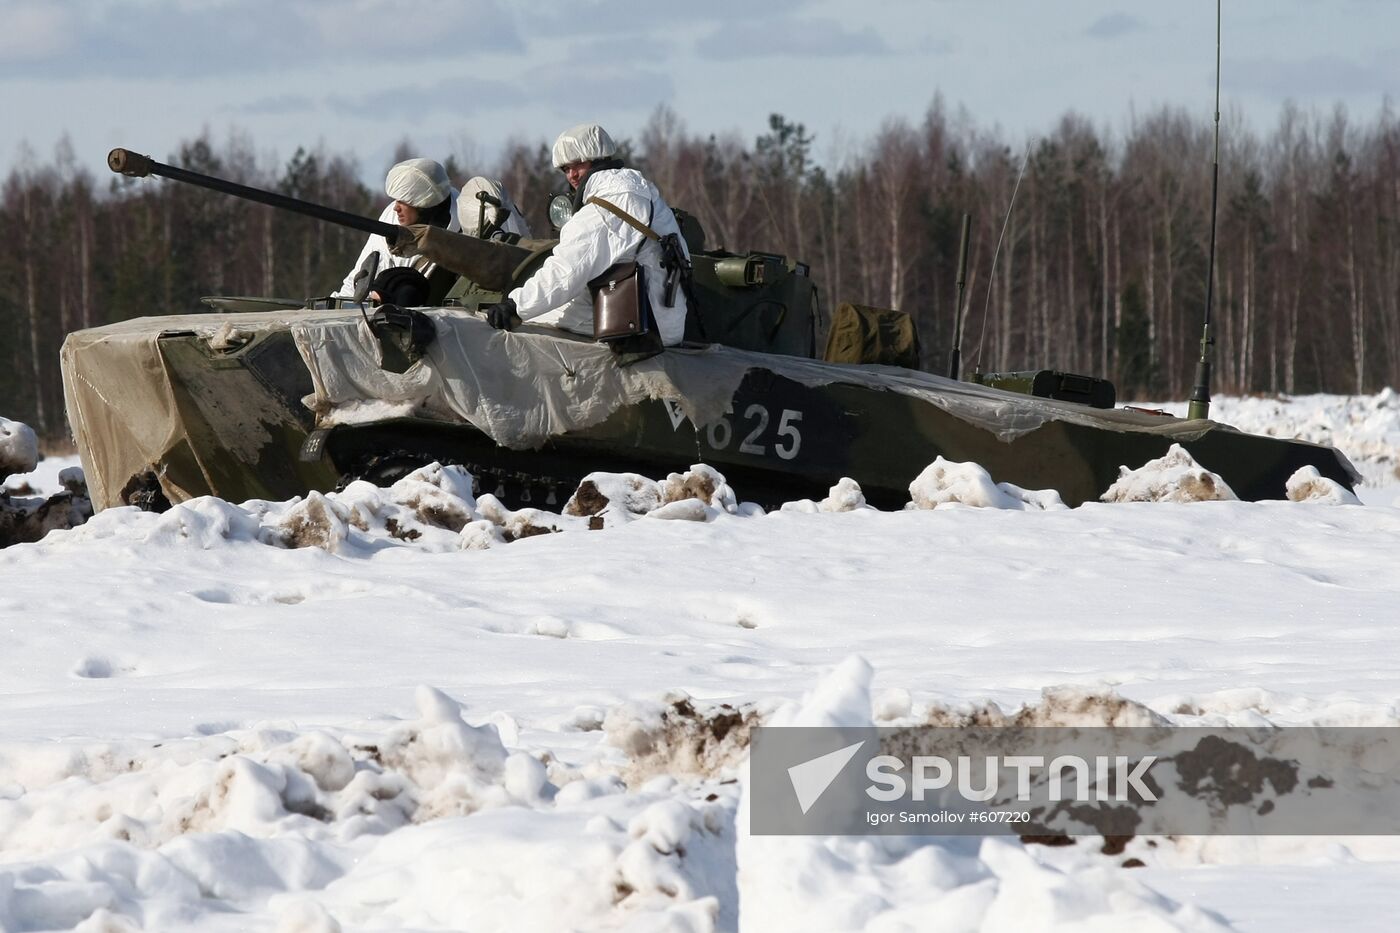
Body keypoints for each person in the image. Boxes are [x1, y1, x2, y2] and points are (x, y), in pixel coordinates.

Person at [482, 123, 689, 346]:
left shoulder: (607, 205)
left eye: (578, 164)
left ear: (598, 158)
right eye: (565, 169)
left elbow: (567, 271)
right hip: (665, 315)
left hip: (647, 321)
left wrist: (515, 306)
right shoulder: (638, 190)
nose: (571, 175)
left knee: (538, 316)